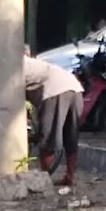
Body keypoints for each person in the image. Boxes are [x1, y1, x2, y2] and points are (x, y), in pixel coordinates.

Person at [23, 54, 84, 187]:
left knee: (48, 136)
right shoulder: (33, 63)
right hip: (75, 87)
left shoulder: (12, 66)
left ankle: (45, 179)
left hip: (55, 91)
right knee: (71, 136)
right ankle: (70, 177)